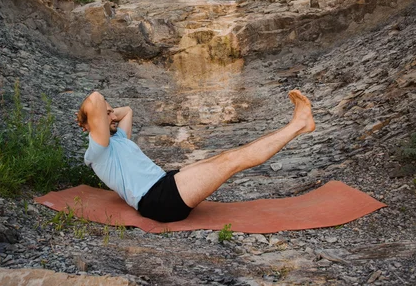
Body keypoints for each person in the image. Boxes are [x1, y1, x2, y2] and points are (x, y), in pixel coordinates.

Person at [76, 90, 315, 223]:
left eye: (110, 112)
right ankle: (299, 125)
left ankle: (299, 125)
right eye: (105, 114)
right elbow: (95, 98)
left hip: (166, 182)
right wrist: (94, 117)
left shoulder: (118, 140)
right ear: (93, 126)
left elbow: (127, 110)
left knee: (226, 156)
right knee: (232, 161)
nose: (111, 114)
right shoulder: (98, 151)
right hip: (158, 200)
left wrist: (110, 114)